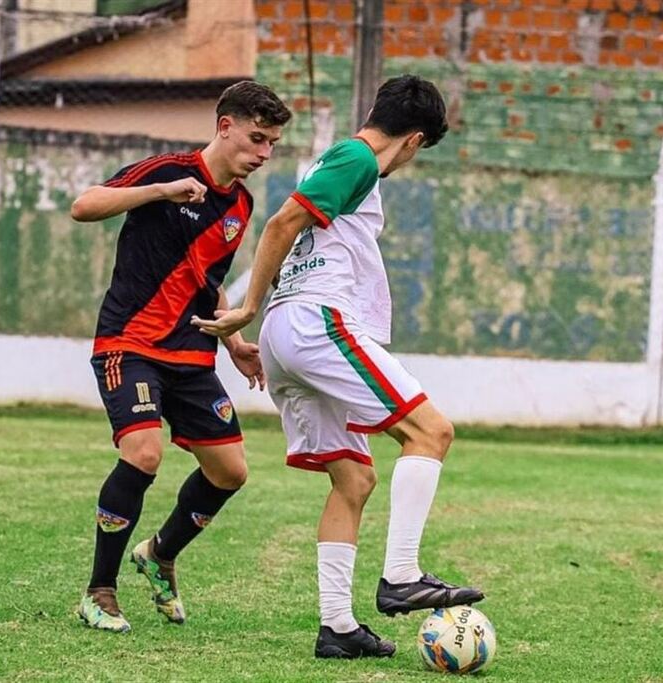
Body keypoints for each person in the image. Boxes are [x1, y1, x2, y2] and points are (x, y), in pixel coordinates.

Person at [193, 75, 483, 658]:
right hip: (315, 323)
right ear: (414, 140)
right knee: (432, 431)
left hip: (290, 331)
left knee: (353, 478)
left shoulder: (340, 162)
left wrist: (260, 318)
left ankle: (338, 628)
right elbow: (280, 225)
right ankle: (401, 575)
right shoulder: (357, 158)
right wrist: (247, 307)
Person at [70, 81, 291, 633]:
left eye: (272, 145)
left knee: (230, 471)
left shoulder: (240, 204)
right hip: (130, 343)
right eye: (257, 138)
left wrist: (234, 342)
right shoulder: (165, 169)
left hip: (191, 354)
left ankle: (160, 554)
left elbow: (205, 280)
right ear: (224, 127)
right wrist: (159, 193)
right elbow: (84, 205)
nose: (264, 154)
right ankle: (100, 591)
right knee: (144, 455)